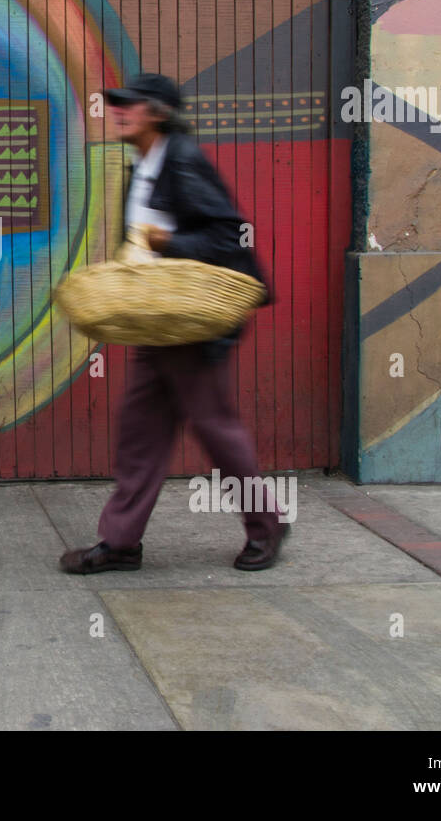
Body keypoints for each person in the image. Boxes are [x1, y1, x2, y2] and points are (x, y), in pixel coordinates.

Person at [59, 73, 289, 574]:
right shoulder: (142, 166)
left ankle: (267, 526)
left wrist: (170, 246)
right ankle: (120, 543)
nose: (118, 110)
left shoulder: (181, 160)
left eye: (130, 104)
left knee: (217, 431)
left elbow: (230, 238)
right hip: (159, 323)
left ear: (158, 113)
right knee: (140, 432)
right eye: (115, 103)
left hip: (195, 327)